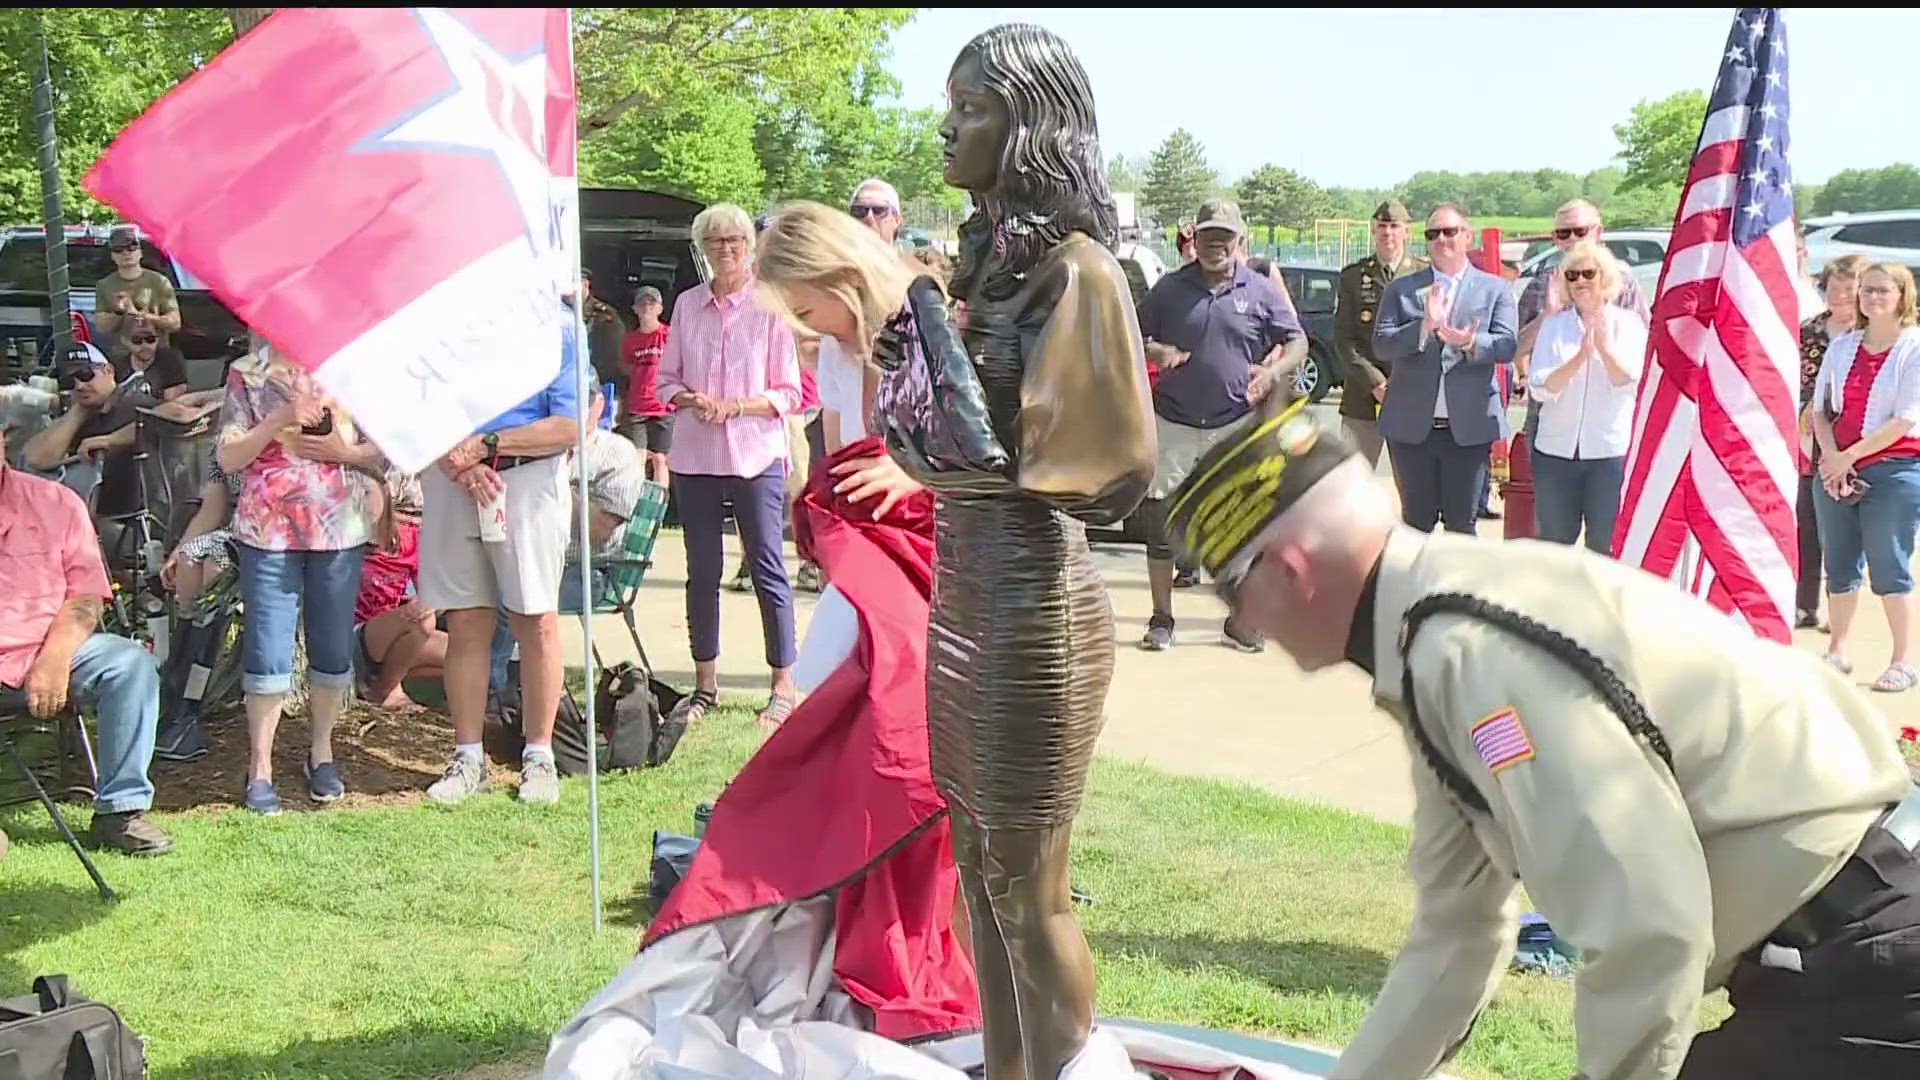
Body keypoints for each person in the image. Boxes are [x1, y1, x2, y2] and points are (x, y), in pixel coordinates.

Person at [1164, 396, 1920, 1080]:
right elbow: (1455, 938)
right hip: (1845, 958)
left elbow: (1649, 928)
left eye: (1233, 589)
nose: (1245, 621)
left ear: (1291, 572)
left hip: (1872, 962)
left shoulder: (1474, 653)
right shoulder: (1435, 637)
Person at [899, 23, 1156, 1076]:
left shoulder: (1079, 272)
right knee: (976, 867)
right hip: (965, 596)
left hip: (1034, 611)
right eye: (953, 103)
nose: (951, 126)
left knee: (1028, 879)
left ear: (1032, 127)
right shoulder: (983, 264)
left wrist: (952, 409)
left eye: (975, 107)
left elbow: (1108, 464)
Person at [418, 303, 582, 807]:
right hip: (452, 478)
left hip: (528, 478)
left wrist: (488, 443)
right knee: (465, 621)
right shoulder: (440, 316)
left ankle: (539, 755)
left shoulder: (554, 322)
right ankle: (468, 756)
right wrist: (463, 465)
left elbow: (569, 424)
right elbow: (420, 402)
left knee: (536, 620)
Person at [215, 346, 383, 813]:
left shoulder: (349, 367)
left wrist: (342, 451)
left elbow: (385, 447)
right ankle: (261, 766)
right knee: (267, 647)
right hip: (266, 530)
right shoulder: (246, 374)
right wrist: (278, 419)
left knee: (332, 645)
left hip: (339, 528)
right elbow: (228, 457)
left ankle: (322, 752)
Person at [657, 203, 805, 730]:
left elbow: (788, 391)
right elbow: (664, 382)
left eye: (736, 240)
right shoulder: (686, 305)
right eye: (716, 241)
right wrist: (690, 400)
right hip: (696, 456)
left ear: (751, 247)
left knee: (767, 567)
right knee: (702, 572)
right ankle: (705, 685)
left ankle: (781, 687)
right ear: (703, 248)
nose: (726, 249)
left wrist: (738, 406)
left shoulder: (770, 307)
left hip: (756, 454)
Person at [1135, 199, 1303, 652]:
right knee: (1161, 520)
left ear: (1239, 242)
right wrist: (1157, 353)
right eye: (1208, 237)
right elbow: (1132, 333)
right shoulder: (1170, 289)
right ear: (1196, 241)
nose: (1216, 246)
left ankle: (1239, 621)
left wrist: (1272, 372)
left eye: (1225, 238)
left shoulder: (1261, 290)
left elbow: (1297, 339)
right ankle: (1161, 618)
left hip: (1235, 423)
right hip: (1174, 421)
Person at [0, 422, 172, 855]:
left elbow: (86, 599)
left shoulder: (56, 502)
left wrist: (54, 659)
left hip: (48, 648)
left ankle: (120, 812)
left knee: (129, 663)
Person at [1374, 203, 1519, 535]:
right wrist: (1424, 326)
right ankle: (1415, 588)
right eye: (1432, 233)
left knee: (1461, 526)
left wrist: (1469, 343)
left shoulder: (1495, 289)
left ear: (1467, 236)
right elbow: (1381, 344)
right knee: (1415, 525)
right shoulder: (1402, 289)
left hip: (1467, 431)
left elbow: (1507, 345)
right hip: (1411, 432)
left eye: (1450, 232)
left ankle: (1456, 589)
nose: (1441, 239)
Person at [1809, 261, 1920, 694]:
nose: (1873, 298)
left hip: (1894, 472)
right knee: (1838, 565)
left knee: (1889, 566)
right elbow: (1820, 410)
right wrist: (1833, 457)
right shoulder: (1843, 346)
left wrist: (1848, 456)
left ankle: (1903, 659)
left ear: (1901, 297)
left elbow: (1905, 419)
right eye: (1867, 290)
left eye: (1882, 291)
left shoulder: (1913, 348)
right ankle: (1837, 650)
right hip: (1837, 471)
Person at [1524, 241, 1647, 552]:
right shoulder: (1554, 326)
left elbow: (1630, 382)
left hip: (1608, 454)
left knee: (1604, 545)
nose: (1579, 282)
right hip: (1555, 452)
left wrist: (1604, 351)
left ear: (1604, 277)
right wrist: (1580, 357)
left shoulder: (1629, 324)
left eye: (1587, 274)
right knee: (1553, 545)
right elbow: (1539, 387)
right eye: (1572, 276)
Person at [1795, 255, 1866, 629]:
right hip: (1809, 441)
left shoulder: (1872, 336)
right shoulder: (1808, 332)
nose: (1839, 295)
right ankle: (1805, 604)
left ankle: (1839, 604)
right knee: (1807, 523)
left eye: (1848, 287)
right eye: (1832, 288)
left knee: (1845, 532)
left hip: (1858, 443)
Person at [1333, 199, 1427, 468]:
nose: (1388, 233)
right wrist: (1375, 382)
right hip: (1362, 397)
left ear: (1406, 232)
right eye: (1382, 226)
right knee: (1353, 483)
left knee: (1414, 487)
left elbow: (1432, 337)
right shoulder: (1352, 277)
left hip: (1411, 396)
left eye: (1394, 226)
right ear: (1373, 230)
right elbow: (1344, 339)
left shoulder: (1425, 275)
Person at [354, 470, 445, 713]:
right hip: (353, 633)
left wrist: (427, 602)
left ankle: (375, 682)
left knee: (465, 654)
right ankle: (387, 691)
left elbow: (438, 590)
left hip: (389, 630)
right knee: (425, 622)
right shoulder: (350, 531)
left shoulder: (411, 538)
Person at [92, 226, 180, 359]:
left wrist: (145, 317)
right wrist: (119, 313)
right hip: (122, 356)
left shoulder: (159, 282)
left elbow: (175, 323)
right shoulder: (104, 285)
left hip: (158, 354)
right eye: (119, 250)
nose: (126, 253)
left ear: (140, 252)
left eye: (131, 248)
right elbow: (101, 327)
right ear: (112, 256)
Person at [617, 285, 672, 487]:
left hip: (663, 406)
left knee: (660, 459)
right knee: (637, 457)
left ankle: (657, 509)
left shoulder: (669, 335)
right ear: (635, 309)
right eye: (642, 303)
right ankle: (635, 505)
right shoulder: (630, 339)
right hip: (638, 405)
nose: (647, 307)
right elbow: (625, 367)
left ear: (660, 308)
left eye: (652, 303)